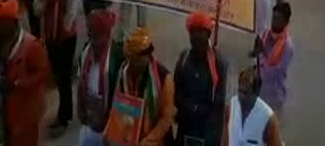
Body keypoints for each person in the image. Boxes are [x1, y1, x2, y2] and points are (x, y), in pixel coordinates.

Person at [34, 0, 81, 137]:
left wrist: (65, 27)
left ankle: (65, 116)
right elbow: (36, 9)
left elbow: (74, 6)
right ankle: (64, 113)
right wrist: (47, 2)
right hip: (50, 37)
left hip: (65, 37)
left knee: (63, 77)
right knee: (58, 75)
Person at [108, 28, 175, 146]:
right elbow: (118, 106)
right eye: (132, 61)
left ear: (148, 56)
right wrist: (109, 132)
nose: (135, 65)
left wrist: (148, 141)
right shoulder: (124, 71)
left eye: (139, 61)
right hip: (128, 137)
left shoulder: (164, 78)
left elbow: (166, 118)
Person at [0, 0, 50, 146]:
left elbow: (42, 75)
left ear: (13, 23)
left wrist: (16, 83)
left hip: (25, 115)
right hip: (4, 114)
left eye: (1, 23)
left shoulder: (32, 46)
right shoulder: (1, 42)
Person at [174, 12, 228, 146]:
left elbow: (219, 101)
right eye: (193, 33)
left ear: (208, 35)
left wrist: (198, 110)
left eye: (200, 33)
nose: (197, 37)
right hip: (185, 125)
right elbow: (176, 89)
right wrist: (186, 107)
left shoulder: (219, 63)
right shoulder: (184, 58)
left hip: (207, 130)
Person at [77, 9, 123, 146]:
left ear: (107, 35)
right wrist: (80, 106)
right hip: (90, 121)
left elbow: (123, 98)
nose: (93, 42)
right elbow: (80, 82)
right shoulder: (86, 51)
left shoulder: (118, 56)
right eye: (90, 35)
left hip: (110, 124)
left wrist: (111, 124)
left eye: (97, 37)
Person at [252, 2, 294, 117]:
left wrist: (260, 52)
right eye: (273, 17)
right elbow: (256, 59)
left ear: (286, 22)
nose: (274, 21)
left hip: (274, 99)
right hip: (258, 94)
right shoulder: (265, 34)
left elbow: (274, 73)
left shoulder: (288, 46)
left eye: (278, 19)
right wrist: (255, 51)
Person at [222, 65, 282, 145]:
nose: (241, 97)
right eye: (240, 91)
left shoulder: (268, 118)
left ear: (257, 92)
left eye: (246, 93)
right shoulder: (231, 106)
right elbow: (225, 139)